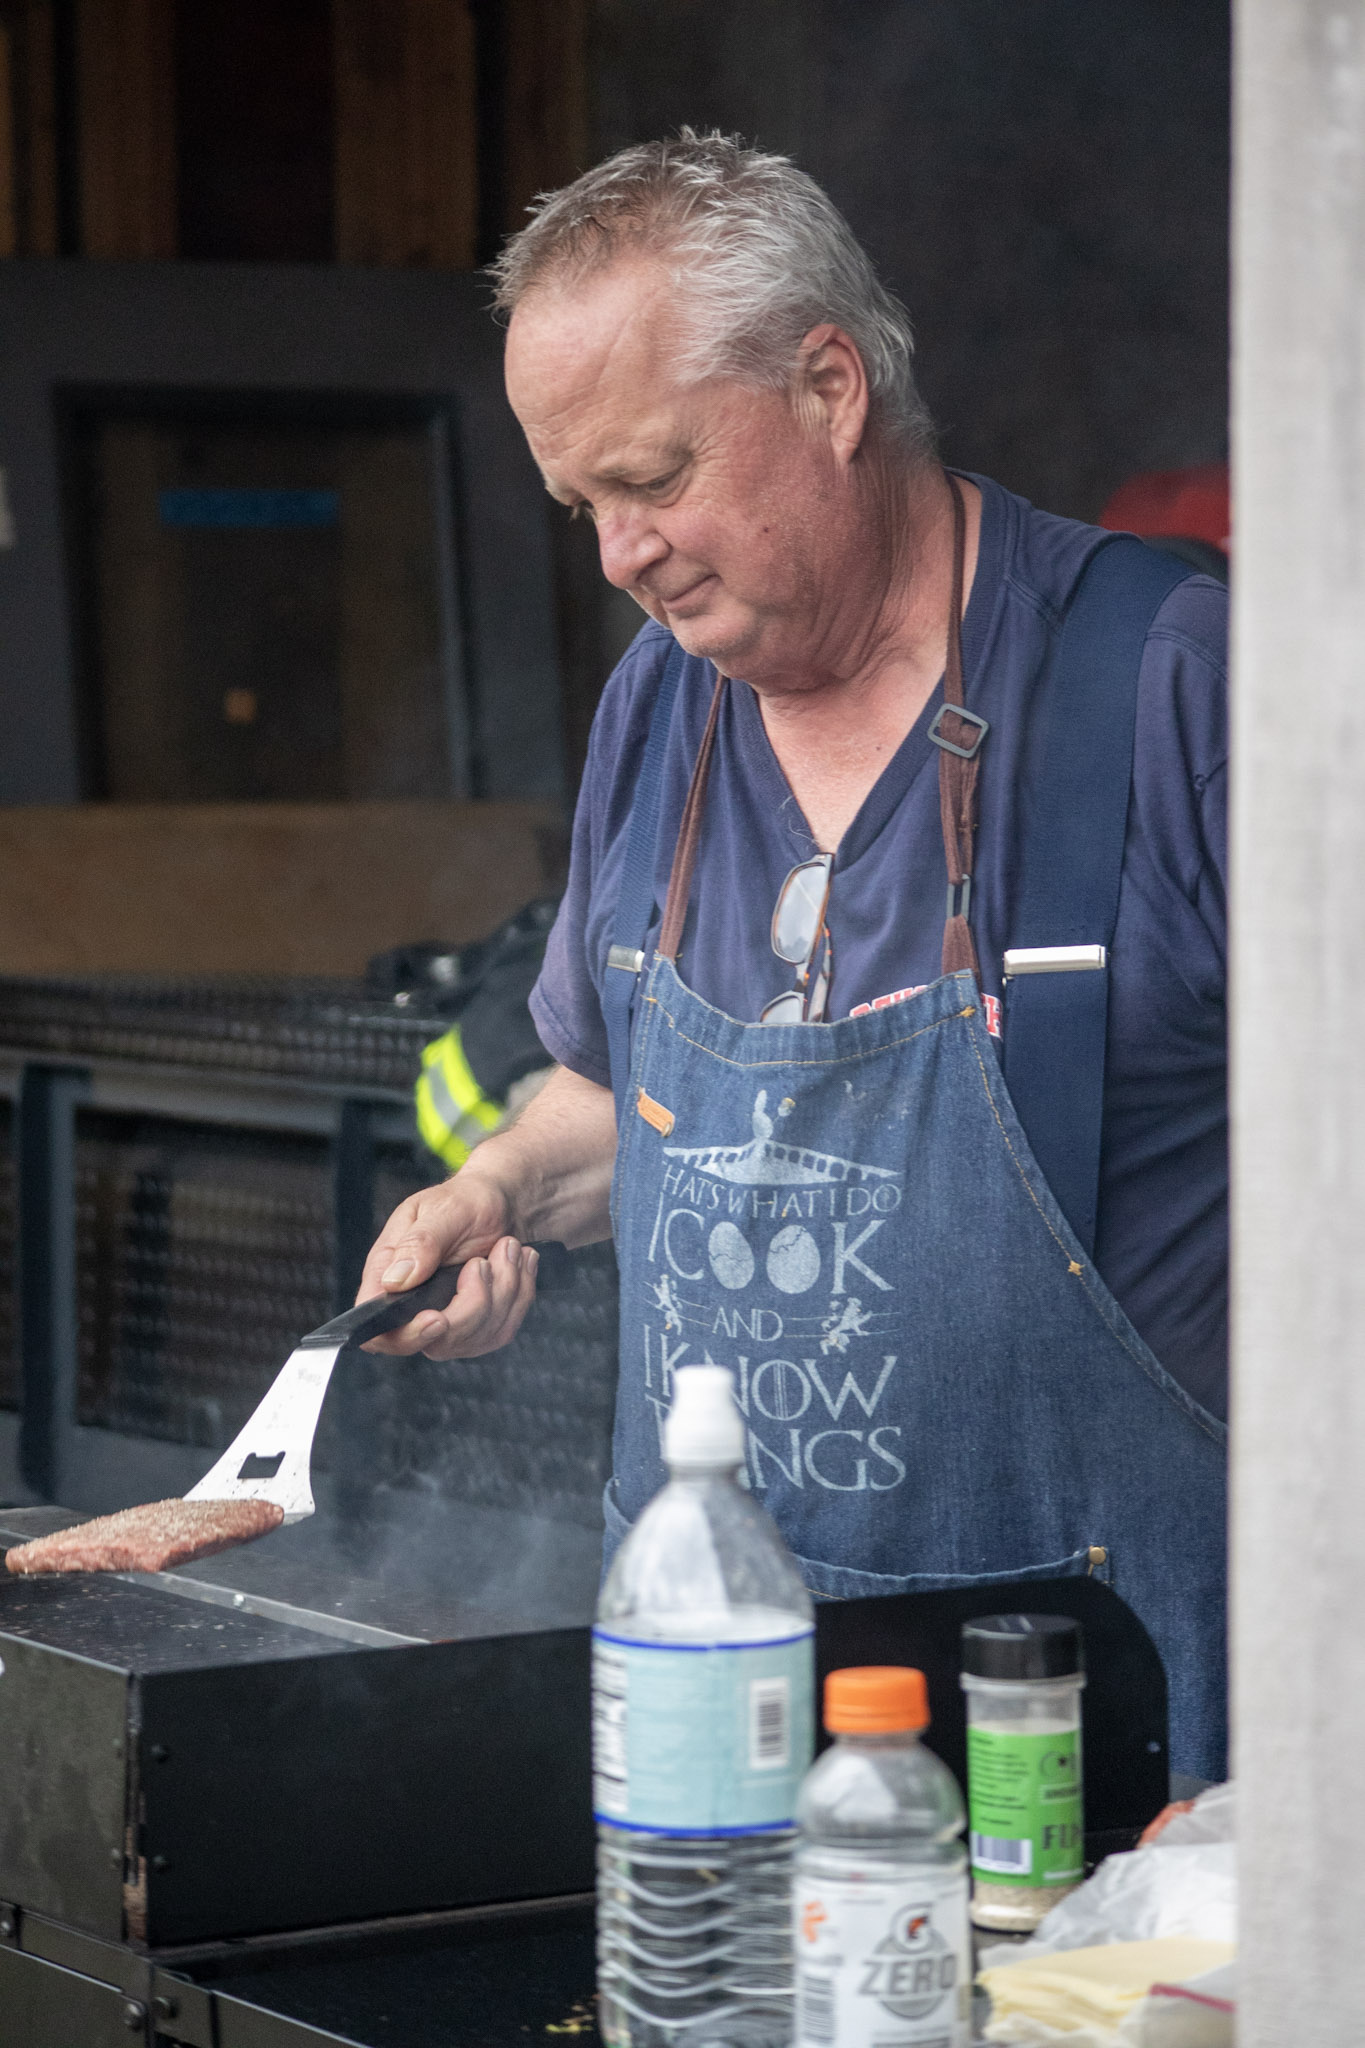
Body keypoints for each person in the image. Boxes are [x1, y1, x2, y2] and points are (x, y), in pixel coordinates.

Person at [358, 133, 1229, 1779]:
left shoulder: (1170, 692)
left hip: (1127, 1759)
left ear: (829, 386)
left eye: (654, 478)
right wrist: (499, 1191)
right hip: (720, 1750)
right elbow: (634, 1098)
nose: (618, 555)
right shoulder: (659, 704)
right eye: (581, 505)